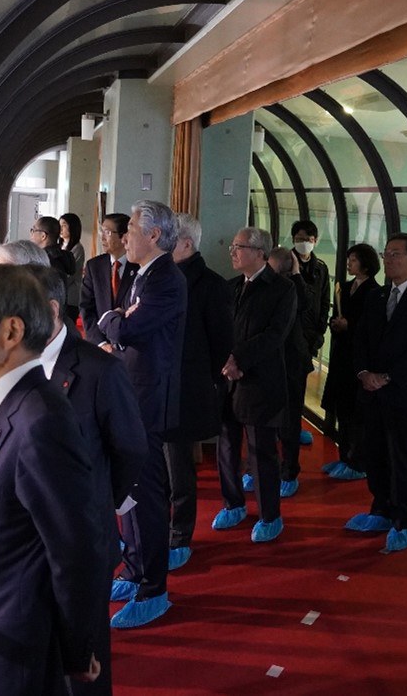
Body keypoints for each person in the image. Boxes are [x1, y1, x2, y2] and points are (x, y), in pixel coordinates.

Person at [0, 264, 103, 696]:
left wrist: (75, 649)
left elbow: (75, 549)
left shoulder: (39, 421)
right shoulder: (6, 410)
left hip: (7, 655)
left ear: (11, 331)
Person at [27, 266, 146, 696]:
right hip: (28, 544)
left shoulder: (100, 370)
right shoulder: (11, 364)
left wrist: (96, 504)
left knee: (82, 669)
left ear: (50, 311)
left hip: (82, 541)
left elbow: (130, 450)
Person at [97, 200, 187, 628]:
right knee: (128, 490)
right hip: (133, 395)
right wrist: (117, 321)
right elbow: (121, 325)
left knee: (146, 494)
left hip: (149, 401)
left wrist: (114, 320)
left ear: (154, 235)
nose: (124, 236)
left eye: (131, 228)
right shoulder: (142, 275)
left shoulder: (166, 279)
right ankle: (134, 570)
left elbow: (126, 328)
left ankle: (154, 588)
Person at [345, 232, 407, 553]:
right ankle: (381, 508)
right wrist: (363, 373)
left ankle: (403, 519)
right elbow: (360, 339)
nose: (388, 259)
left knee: (400, 456)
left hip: (402, 392)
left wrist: (386, 377)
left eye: (396, 254)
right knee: (374, 453)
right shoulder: (376, 296)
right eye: (386, 253)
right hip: (371, 390)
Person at [212, 227, 296, 544]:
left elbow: (275, 335)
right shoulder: (232, 286)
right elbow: (219, 329)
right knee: (226, 447)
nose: (233, 252)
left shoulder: (282, 289)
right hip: (227, 379)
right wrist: (225, 360)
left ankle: (269, 515)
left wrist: (239, 359)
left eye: (240, 247)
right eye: (233, 246)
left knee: (261, 453)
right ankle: (232, 504)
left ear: (260, 253)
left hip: (260, 382)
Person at [166, 213, 233, 570]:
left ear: (187, 244)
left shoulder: (212, 285)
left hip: (186, 389)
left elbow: (221, 344)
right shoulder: (159, 277)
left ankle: (180, 535)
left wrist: (201, 379)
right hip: (156, 387)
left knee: (179, 470)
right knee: (155, 468)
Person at [321, 243, 381, 481]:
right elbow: (337, 316)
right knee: (342, 410)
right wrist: (335, 325)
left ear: (365, 264)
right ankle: (344, 456)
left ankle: (357, 462)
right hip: (341, 355)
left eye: (354, 260)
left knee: (356, 414)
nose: (349, 264)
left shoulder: (374, 292)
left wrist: (350, 326)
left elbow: (371, 328)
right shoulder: (344, 288)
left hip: (358, 359)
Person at [263, 245, 313, 498]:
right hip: (268, 362)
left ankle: (289, 471)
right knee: (264, 421)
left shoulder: (293, 288)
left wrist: (296, 273)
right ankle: (261, 468)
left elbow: (306, 305)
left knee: (290, 421)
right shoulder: (259, 286)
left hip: (292, 363)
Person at [290, 219, 331, 448]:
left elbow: (324, 301)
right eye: (299, 239)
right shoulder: (286, 263)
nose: (303, 243)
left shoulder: (320, 268)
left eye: (307, 239)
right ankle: (282, 427)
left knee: (299, 386)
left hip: (309, 336)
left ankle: (294, 427)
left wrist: (320, 331)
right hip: (289, 334)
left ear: (315, 240)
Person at [81, 212, 138, 346]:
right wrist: (100, 342)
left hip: (128, 343)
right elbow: (86, 308)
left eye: (107, 232)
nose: (102, 237)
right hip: (100, 344)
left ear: (123, 236)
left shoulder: (137, 266)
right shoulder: (94, 266)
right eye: (102, 231)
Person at [31, 215, 75, 284]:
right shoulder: (60, 257)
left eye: (33, 230)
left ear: (43, 236)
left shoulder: (47, 263)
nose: (31, 234)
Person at [59, 212, 85, 323]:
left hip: (70, 297)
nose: (60, 228)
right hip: (60, 295)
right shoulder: (59, 246)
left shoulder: (77, 248)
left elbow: (71, 274)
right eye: (60, 225)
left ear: (72, 227)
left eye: (64, 225)